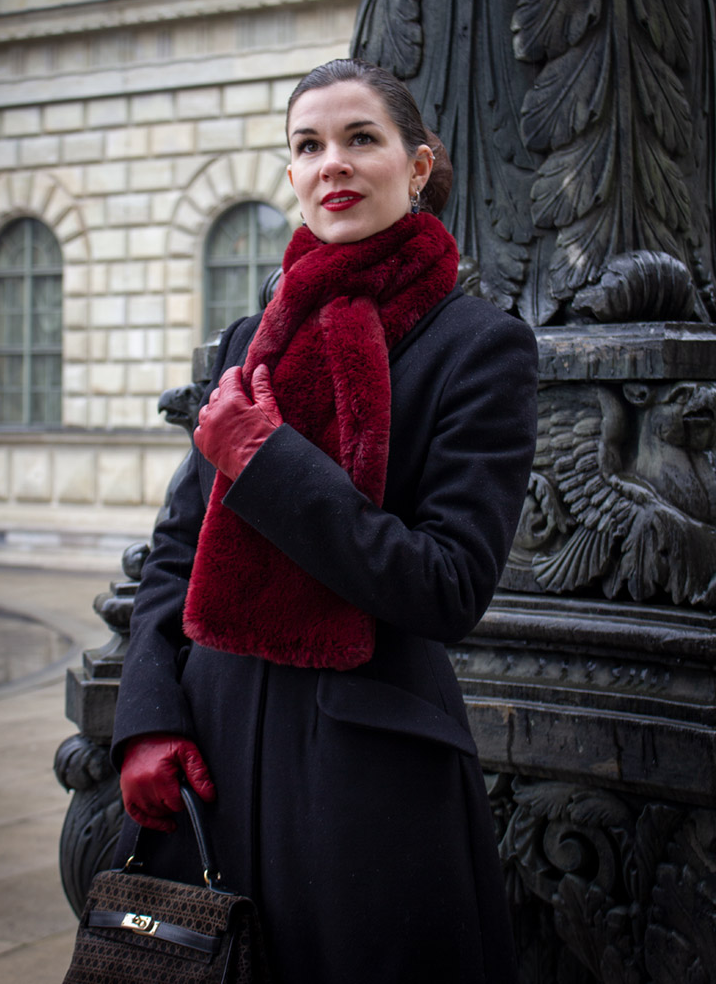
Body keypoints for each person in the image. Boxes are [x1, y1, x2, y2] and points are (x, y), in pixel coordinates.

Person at [110, 58, 538, 983]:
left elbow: (448, 584)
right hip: (214, 752)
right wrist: (147, 716)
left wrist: (266, 463)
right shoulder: (249, 337)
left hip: (367, 778)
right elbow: (176, 549)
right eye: (309, 146)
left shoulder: (478, 347)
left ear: (418, 166)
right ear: (292, 172)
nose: (332, 164)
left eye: (361, 139)